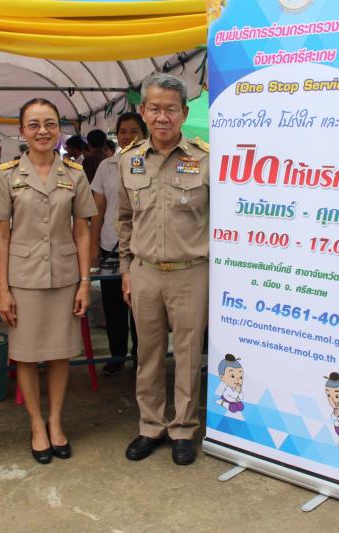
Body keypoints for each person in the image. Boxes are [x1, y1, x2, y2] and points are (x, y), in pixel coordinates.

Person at [0, 98, 96, 464]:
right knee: (27, 356)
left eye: (49, 123)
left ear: (59, 130)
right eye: (33, 124)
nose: (42, 131)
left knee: (61, 353)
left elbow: (82, 231)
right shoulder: (6, 175)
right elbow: (1, 235)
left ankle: (56, 422)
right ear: (22, 131)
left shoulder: (75, 174)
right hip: (23, 279)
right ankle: (36, 424)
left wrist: (85, 281)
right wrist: (2, 289)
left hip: (64, 277)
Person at [118, 73, 209, 466]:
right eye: (154, 108)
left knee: (187, 355)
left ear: (184, 113)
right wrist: (126, 268)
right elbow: (125, 219)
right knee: (149, 353)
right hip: (144, 272)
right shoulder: (129, 160)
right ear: (142, 111)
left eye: (171, 109)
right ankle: (151, 425)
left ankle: (184, 428)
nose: (162, 117)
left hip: (191, 272)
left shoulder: (205, 158)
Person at [90, 112, 146, 376]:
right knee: (113, 307)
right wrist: (93, 246)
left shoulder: (150, 163)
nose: (127, 136)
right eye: (123, 131)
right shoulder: (106, 166)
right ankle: (117, 355)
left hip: (142, 246)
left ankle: (140, 357)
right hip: (110, 244)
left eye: (134, 131)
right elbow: (98, 209)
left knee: (141, 308)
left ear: (144, 134)